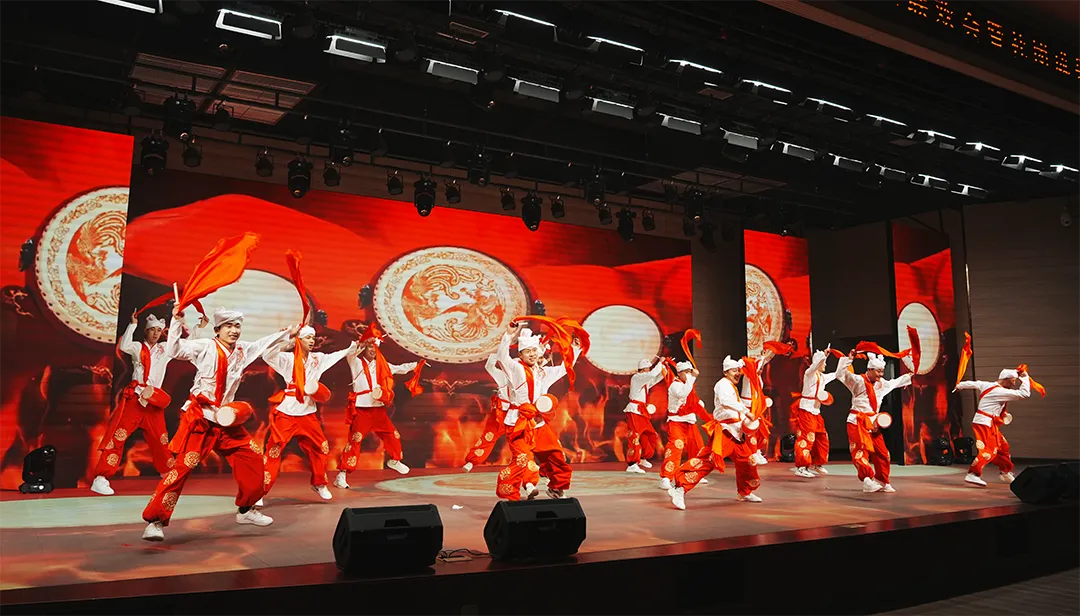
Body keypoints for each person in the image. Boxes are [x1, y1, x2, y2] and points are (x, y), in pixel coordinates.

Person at [140, 307, 296, 541]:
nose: (234, 331)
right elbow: (174, 350)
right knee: (183, 467)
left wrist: (285, 334)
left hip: (226, 420)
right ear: (217, 329)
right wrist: (176, 320)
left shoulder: (242, 350)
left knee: (252, 457)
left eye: (237, 326)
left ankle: (246, 509)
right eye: (228, 326)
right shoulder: (205, 346)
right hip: (201, 418)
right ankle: (155, 521)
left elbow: (261, 344)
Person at [92, 312, 187, 495]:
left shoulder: (165, 349)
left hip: (154, 401)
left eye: (158, 330)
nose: (155, 333)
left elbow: (183, 346)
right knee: (118, 437)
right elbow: (124, 345)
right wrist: (133, 324)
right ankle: (101, 478)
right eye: (152, 330)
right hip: (135, 399)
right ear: (146, 331)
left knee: (160, 440)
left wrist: (194, 327)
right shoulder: (137, 347)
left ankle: (167, 474)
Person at [261, 326, 356, 501]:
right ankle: (260, 490)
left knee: (321, 447)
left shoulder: (317, 359)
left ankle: (319, 483)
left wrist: (353, 347)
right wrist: (285, 337)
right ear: (299, 340)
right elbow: (267, 355)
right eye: (308, 338)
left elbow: (336, 356)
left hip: (308, 413)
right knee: (273, 451)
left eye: (313, 337)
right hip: (287, 413)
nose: (312, 341)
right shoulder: (288, 359)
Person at [494, 324, 580, 500]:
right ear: (520, 355)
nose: (532, 354)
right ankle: (518, 491)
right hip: (518, 423)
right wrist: (508, 335)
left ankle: (556, 488)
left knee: (556, 455)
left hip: (538, 424)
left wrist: (575, 349)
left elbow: (565, 368)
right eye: (527, 351)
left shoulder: (543, 373)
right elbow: (502, 357)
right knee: (523, 457)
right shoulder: (516, 369)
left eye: (534, 350)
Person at [669, 355, 764, 509]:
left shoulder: (731, 386)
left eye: (738, 371)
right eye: (734, 371)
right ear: (726, 372)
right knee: (709, 461)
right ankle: (680, 487)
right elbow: (726, 402)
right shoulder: (722, 384)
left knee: (747, 461)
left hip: (736, 433)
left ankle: (744, 492)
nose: (737, 373)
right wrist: (746, 412)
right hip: (725, 432)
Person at [334, 325, 419, 489]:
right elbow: (351, 351)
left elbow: (399, 368)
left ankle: (394, 460)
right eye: (370, 347)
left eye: (375, 347)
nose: (373, 350)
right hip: (361, 409)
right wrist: (364, 341)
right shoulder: (355, 362)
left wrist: (416, 365)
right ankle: (342, 474)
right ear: (365, 348)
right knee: (355, 441)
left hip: (378, 409)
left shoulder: (382, 365)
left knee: (393, 435)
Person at [835, 351, 914, 493]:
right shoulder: (858, 381)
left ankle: (882, 480)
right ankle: (867, 480)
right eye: (878, 371)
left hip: (873, 423)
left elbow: (894, 383)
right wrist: (849, 359)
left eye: (882, 371)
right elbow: (840, 374)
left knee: (882, 453)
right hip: (857, 421)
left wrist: (909, 376)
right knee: (860, 451)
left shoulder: (882, 384)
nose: (881, 375)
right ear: (870, 369)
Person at [955, 367, 1030, 486]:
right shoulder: (1000, 391)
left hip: (989, 423)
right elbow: (1024, 394)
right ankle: (973, 474)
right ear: (1006, 379)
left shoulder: (988, 385)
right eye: (1013, 381)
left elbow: (974, 383)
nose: (1014, 384)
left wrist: (960, 386)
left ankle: (1005, 471)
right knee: (989, 450)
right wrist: (1025, 378)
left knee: (1003, 447)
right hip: (984, 423)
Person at [659, 362, 710, 491]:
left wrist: (699, 403)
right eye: (686, 372)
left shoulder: (689, 385)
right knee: (676, 446)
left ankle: (695, 473)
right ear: (679, 373)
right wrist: (693, 377)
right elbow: (683, 394)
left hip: (689, 422)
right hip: (676, 421)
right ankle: (666, 477)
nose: (689, 375)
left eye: (690, 372)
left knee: (698, 447)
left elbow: (692, 399)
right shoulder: (675, 385)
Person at [791, 346, 837, 478]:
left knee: (822, 437)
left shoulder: (822, 377)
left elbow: (837, 374)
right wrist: (823, 356)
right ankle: (801, 467)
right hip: (806, 410)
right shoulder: (809, 374)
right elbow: (814, 366)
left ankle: (818, 463)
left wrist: (847, 361)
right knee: (807, 437)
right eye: (824, 363)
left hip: (816, 411)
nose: (825, 365)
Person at [463, 353, 512, 472]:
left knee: (526, 441)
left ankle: (535, 468)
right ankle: (472, 461)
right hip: (501, 413)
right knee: (488, 437)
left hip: (519, 413)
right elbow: (489, 367)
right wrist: (497, 353)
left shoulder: (531, 376)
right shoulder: (504, 377)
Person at [623, 356, 665, 474]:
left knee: (650, 434)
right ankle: (632, 464)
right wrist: (660, 362)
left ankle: (642, 457)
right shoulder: (637, 378)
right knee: (635, 437)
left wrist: (663, 368)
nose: (649, 370)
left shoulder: (643, 380)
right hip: (634, 410)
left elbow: (654, 379)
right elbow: (652, 375)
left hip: (641, 411)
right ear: (644, 369)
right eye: (648, 368)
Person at [740, 349, 775, 463]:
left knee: (760, 430)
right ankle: (752, 452)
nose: (761, 369)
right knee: (751, 430)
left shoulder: (758, 377)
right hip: (748, 406)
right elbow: (755, 366)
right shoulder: (748, 376)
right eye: (759, 367)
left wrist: (768, 356)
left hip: (756, 407)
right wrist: (762, 358)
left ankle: (757, 450)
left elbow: (761, 364)